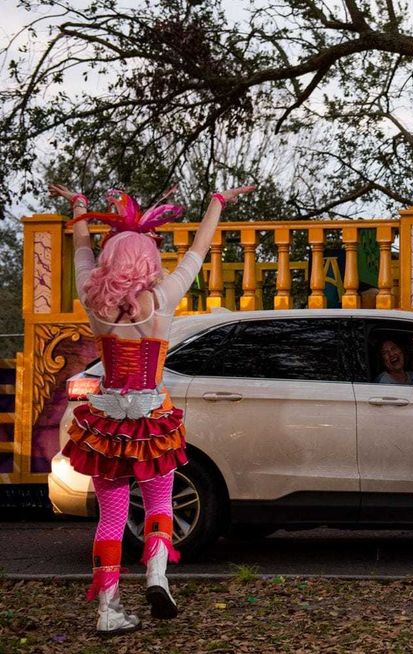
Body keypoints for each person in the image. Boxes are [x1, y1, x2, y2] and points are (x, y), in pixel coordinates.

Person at [48, 181, 255, 635]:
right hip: (152, 420)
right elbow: (199, 251)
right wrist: (217, 202)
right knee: (159, 499)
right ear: (148, 260)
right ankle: (158, 574)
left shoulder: (93, 298)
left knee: (112, 515)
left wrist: (80, 206)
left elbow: (82, 249)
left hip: (105, 421)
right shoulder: (163, 300)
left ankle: (107, 608)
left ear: (112, 259)